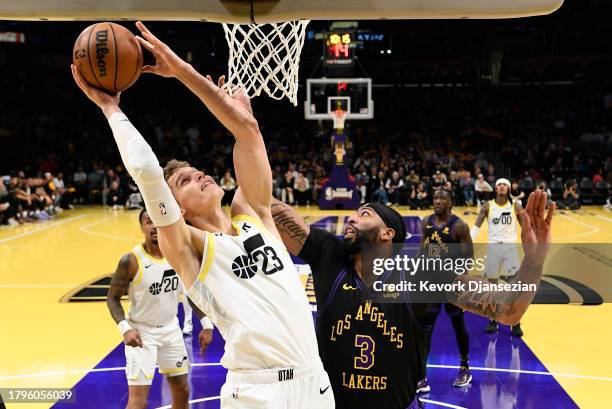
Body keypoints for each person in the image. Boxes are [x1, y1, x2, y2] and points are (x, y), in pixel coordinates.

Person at [72, 21, 333, 409]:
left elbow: (247, 132)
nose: (199, 175)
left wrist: (180, 70)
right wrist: (110, 109)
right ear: (176, 209)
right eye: (184, 181)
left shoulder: (253, 213)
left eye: (197, 171)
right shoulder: (188, 248)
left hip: (315, 382)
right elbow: (146, 173)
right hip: (257, 392)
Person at [271, 189, 554, 409]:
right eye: (354, 214)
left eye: (365, 214)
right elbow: (264, 206)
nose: (352, 218)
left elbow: (507, 310)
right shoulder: (329, 256)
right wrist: (247, 133)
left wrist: (535, 259)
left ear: (387, 233)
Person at [106, 209, 213, 409]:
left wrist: (206, 323)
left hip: (171, 330)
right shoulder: (130, 261)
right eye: (148, 222)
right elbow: (112, 299)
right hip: (141, 334)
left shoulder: (178, 255)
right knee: (138, 401)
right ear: (142, 227)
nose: (154, 226)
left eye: (157, 221)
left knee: (182, 391)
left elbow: (191, 292)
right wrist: (125, 328)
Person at [416, 189, 472, 394]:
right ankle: (421, 375)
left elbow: (468, 256)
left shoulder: (459, 226)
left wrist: (462, 283)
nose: (437, 201)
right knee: (425, 328)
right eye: (435, 198)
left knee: (458, 324)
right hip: (431, 283)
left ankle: (465, 367)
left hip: (452, 283)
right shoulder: (426, 222)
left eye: (442, 199)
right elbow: (423, 249)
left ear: (450, 202)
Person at [471, 178, 524, 337]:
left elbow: (525, 227)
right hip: (493, 247)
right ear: (495, 188)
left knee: (513, 285)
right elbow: (477, 225)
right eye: (499, 184)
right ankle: (492, 320)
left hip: (510, 248)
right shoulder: (488, 205)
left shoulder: (516, 205)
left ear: (508, 188)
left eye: (505, 185)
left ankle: (515, 322)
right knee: (491, 285)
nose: (502, 187)